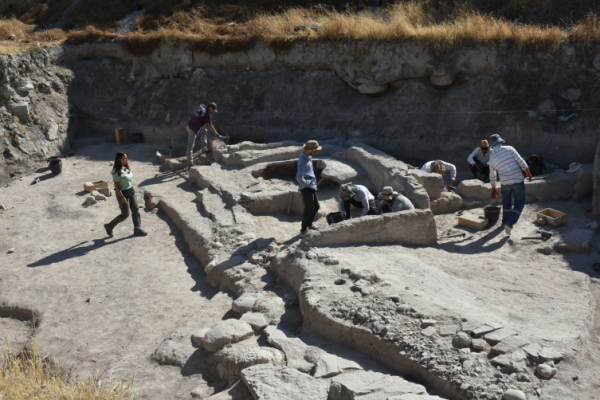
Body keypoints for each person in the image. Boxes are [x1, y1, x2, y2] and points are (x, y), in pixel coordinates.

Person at [488, 134, 532, 236]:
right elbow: (521, 161)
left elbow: (492, 174)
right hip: (517, 180)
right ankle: (509, 223)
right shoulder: (509, 149)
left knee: (507, 202)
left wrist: (493, 187)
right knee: (520, 202)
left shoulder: (492, 158)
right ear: (500, 142)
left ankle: (505, 221)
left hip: (505, 183)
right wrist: (527, 171)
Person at [104, 152, 147, 237]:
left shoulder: (126, 168)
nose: (127, 160)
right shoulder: (116, 171)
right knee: (125, 214)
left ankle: (137, 229)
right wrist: (122, 197)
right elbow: (116, 186)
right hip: (122, 193)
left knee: (136, 210)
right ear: (119, 159)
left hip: (131, 191)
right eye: (124, 158)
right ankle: (109, 226)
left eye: (127, 158)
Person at [296, 140, 321, 235]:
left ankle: (309, 224)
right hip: (307, 188)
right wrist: (306, 183)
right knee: (308, 209)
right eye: (315, 150)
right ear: (310, 150)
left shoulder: (308, 157)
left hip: (312, 186)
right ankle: (303, 230)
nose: (316, 152)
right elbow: (298, 177)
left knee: (316, 207)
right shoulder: (303, 160)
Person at [186, 102, 222, 169]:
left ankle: (204, 149)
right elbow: (211, 126)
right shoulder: (208, 114)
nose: (213, 111)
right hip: (192, 129)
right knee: (190, 146)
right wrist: (217, 134)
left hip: (190, 124)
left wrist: (204, 128)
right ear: (210, 108)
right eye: (213, 110)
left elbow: (202, 119)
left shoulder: (202, 106)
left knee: (204, 131)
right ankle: (190, 164)